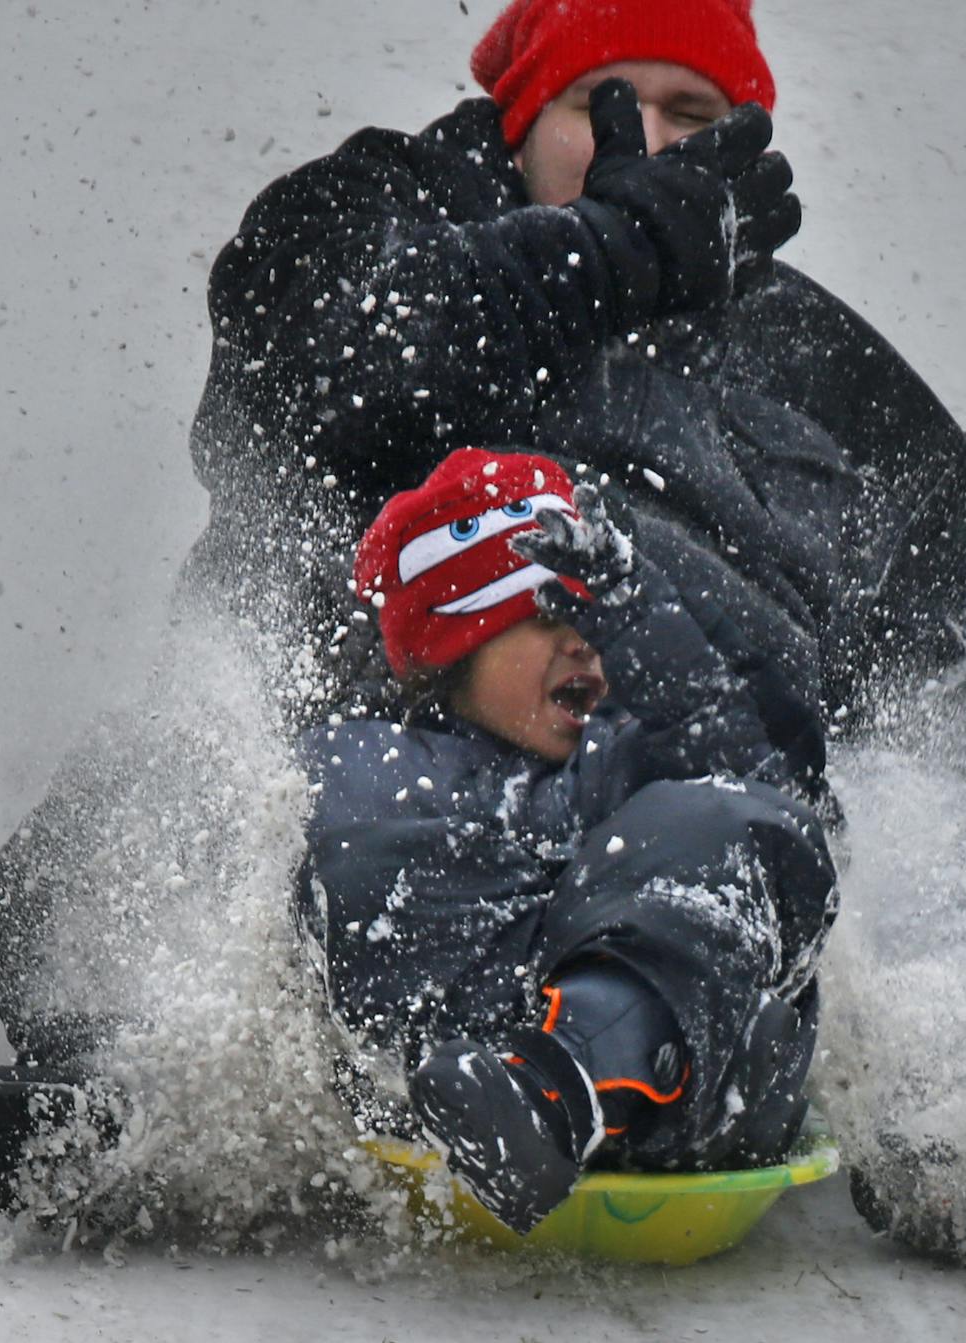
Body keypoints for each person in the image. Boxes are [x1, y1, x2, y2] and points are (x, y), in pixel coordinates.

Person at [0, 0, 966, 1258]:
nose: (651, 140)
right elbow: (284, 406)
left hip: (701, 780)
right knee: (196, 739)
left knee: (912, 799)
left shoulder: (823, 363)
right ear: (523, 111)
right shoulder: (370, 220)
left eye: (694, 110)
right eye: (607, 99)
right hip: (372, 740)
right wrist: (594, 264)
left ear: (750, 134)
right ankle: (139, 1076)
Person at [294, 446, 837, 1231]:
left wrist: (644, 619)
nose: (584, 643)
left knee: (707, 818)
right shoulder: (385, 765)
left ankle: (559, 1082)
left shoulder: (626, 757)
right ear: (458, 648)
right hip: (452, 1080)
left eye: (595, 618)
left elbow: (765, 809)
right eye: (551, 617)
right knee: (338, 805)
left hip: (697, 1086)